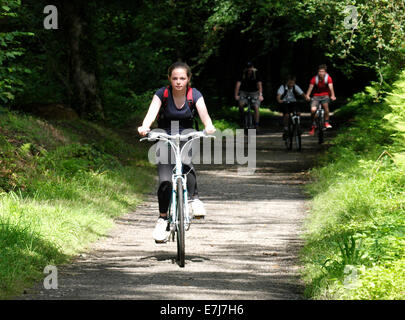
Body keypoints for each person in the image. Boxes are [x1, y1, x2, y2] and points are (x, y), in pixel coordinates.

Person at [138, 61, 216, 243]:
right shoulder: (162, 94)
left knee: (187, 164)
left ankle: (193, 200)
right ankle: (162, 218)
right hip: (165, 136)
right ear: (169, 79)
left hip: (187, 136)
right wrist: (145, 126)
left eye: (182, 78)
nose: (178, 82)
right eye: (175, 78)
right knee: (165, 180)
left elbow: (205, 117)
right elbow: (151, 113)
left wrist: (209, 126)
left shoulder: (194, 94)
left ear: (188, 79)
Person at [305, 64, 337, 135]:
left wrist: (333, 95)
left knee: (326, 107)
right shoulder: (314, 79)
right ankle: (313, 125)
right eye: (320, 71)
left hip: (325, 95)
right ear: (318, 72)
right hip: (316, 96)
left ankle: (326, 122)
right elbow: (310, 88)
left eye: (322, 72)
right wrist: (307, 95)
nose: (321, 73)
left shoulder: (328, 78)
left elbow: (331, 88)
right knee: (313, 110)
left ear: (325, 72)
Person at [276, 75, 307, 140]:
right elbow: (279, 95)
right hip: (285, 102)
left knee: (298, 113)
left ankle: (298, 126)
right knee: (286, 115)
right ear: (287, 82)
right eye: (290, 83)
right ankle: (286, 129)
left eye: (293, 83)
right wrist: (279, 100)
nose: (291, 84)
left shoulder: (295, 87)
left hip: (293, 102)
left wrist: (306, 98)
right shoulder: (283, 87)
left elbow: (302, 94)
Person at [234, 62, 264, 129]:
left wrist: (260, 95)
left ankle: (256, 124)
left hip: (255, 92)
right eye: (248, 68)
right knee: (241, 104)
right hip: (244, 92)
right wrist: (236, 95)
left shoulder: (256, 73)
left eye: (251, 68)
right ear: (246, 69)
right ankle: (242, 120)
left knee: (256, 107)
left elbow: (260, 85)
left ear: (253, 68)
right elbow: (238, 85)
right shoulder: (242, 73)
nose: (249, 70)